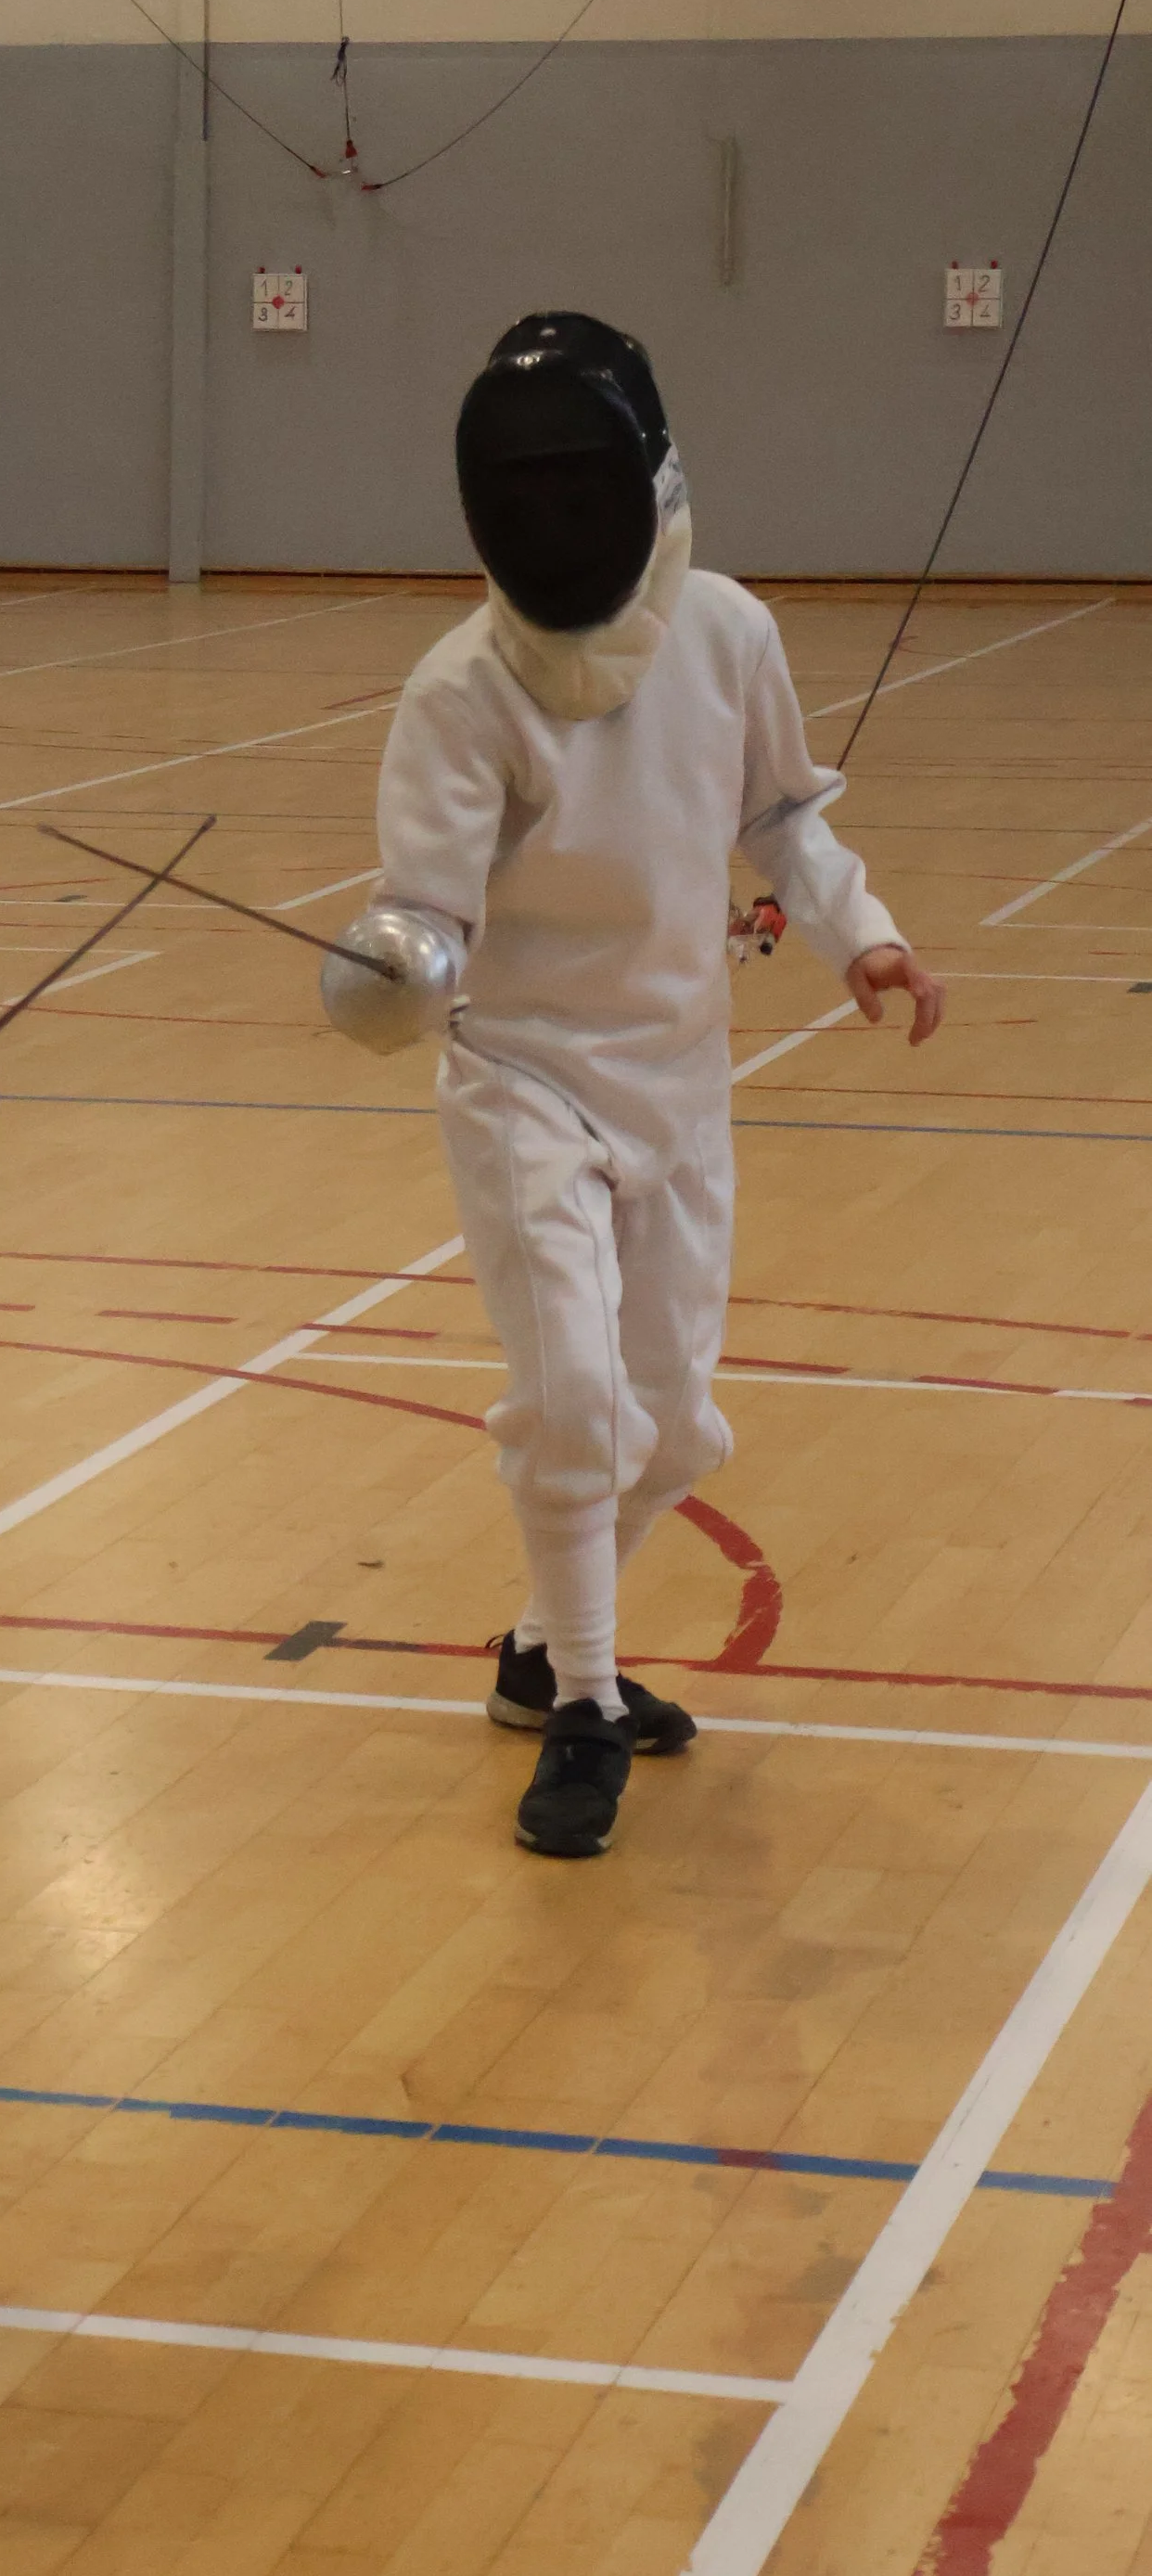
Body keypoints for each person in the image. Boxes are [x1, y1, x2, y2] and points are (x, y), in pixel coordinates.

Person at [324, 314, 942, 1859]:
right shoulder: (462, 690)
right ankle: (588, 1703)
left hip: (677, 1079)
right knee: (576, 1400)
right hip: (526, 1080)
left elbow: (785, 813)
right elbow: (429, 912)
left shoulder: (724, 633)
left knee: (674, 1430)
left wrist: (861, 936)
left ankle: (541, 1651)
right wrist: (392, 966)